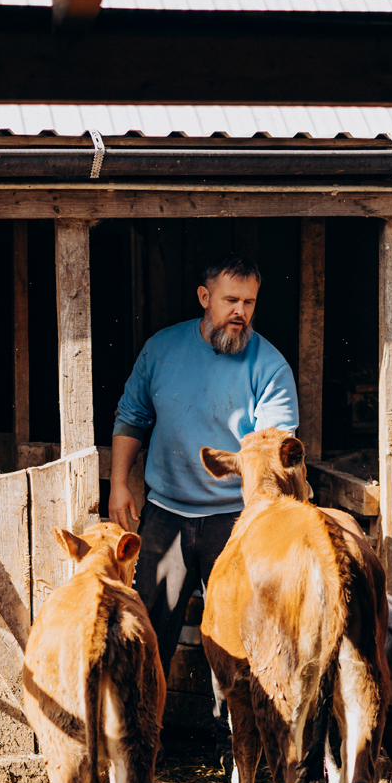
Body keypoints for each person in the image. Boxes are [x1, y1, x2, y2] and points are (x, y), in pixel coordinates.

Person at [108, 253, 299, 709]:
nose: (241, 312)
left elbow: (276, 446)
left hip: (236, 521)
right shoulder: (162, 349)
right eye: (231, 300)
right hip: (166, 515)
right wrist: (118, 483)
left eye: (249, 302)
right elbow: (131, 418)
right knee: (148, 630)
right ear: (204, 297)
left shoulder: (269, 365)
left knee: (240, 636)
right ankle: (142, 735)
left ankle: (234, 746)